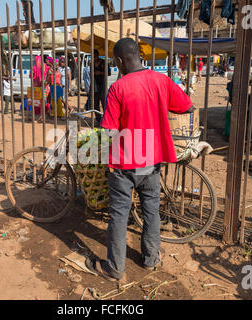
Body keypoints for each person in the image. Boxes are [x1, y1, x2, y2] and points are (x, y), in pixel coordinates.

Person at [85, 38, 195, 281]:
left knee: (119, 215)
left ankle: (114, 268)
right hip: (152, 161)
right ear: (139, 56)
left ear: (119, 61)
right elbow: (187, 107)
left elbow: (109, 130)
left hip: (123, 164)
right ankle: (150, 259)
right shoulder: (161, 81)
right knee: (151, 211)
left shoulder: (118, 87)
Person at [93, 49, 111, 122]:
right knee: (95, 103)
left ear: (97, 55)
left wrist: (100, 73)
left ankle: (106, 119)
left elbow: (109, 73)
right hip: (94, 85)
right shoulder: (92, 63)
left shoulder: (104, 63)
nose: (93, 57)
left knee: (104, 102)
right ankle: (98, 119)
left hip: (102, 85)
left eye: (94, 56)